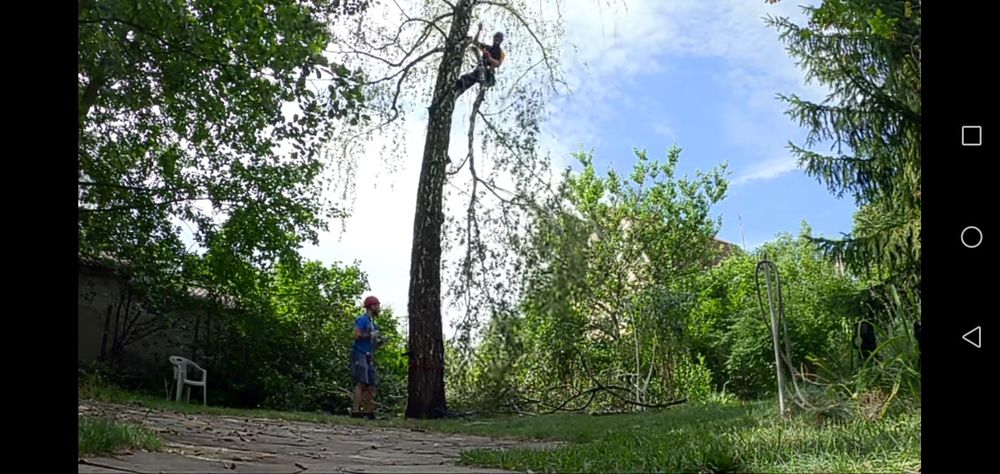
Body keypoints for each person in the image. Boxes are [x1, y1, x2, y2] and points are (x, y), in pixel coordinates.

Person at [351, 295, 384, 419]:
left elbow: (372, 343)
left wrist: (380, 342)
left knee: (371, 383)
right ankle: (355, 411)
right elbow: (357, 335)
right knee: (361, 382)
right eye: (378, 305)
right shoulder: (362, 320)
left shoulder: (372, 323)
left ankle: (368, 412)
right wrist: (371, 334)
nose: (379, 308)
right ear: (372, 306)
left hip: (369, 356)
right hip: (359, 354)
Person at [455, 23, 506, 96]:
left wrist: (489, 58)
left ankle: (460, 84)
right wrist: (479, 30)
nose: (497, 40)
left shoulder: (501, 53)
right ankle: (459, 86)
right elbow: (475, 42)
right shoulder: (488, 48)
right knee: (471, 77)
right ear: (494, 38)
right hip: (480, 68)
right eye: (496, 38)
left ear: (501, 41)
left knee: (474, 76)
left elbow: (498, 64)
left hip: (488, 73)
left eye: (499, 39)